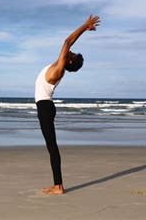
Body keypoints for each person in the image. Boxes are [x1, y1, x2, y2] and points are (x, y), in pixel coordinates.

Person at [34, 14, 101, 195]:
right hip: (45, 108)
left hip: (45, 108)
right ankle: (57, 184)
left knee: (52, 147)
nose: (70, 51)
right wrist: (85, 29)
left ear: (69, 61)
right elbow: (66, 45)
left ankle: (59, 186)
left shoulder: (58, 69)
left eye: (72, 54)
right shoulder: (58, 65)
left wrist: (84, 26)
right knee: (51, 146)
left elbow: (67, 42)